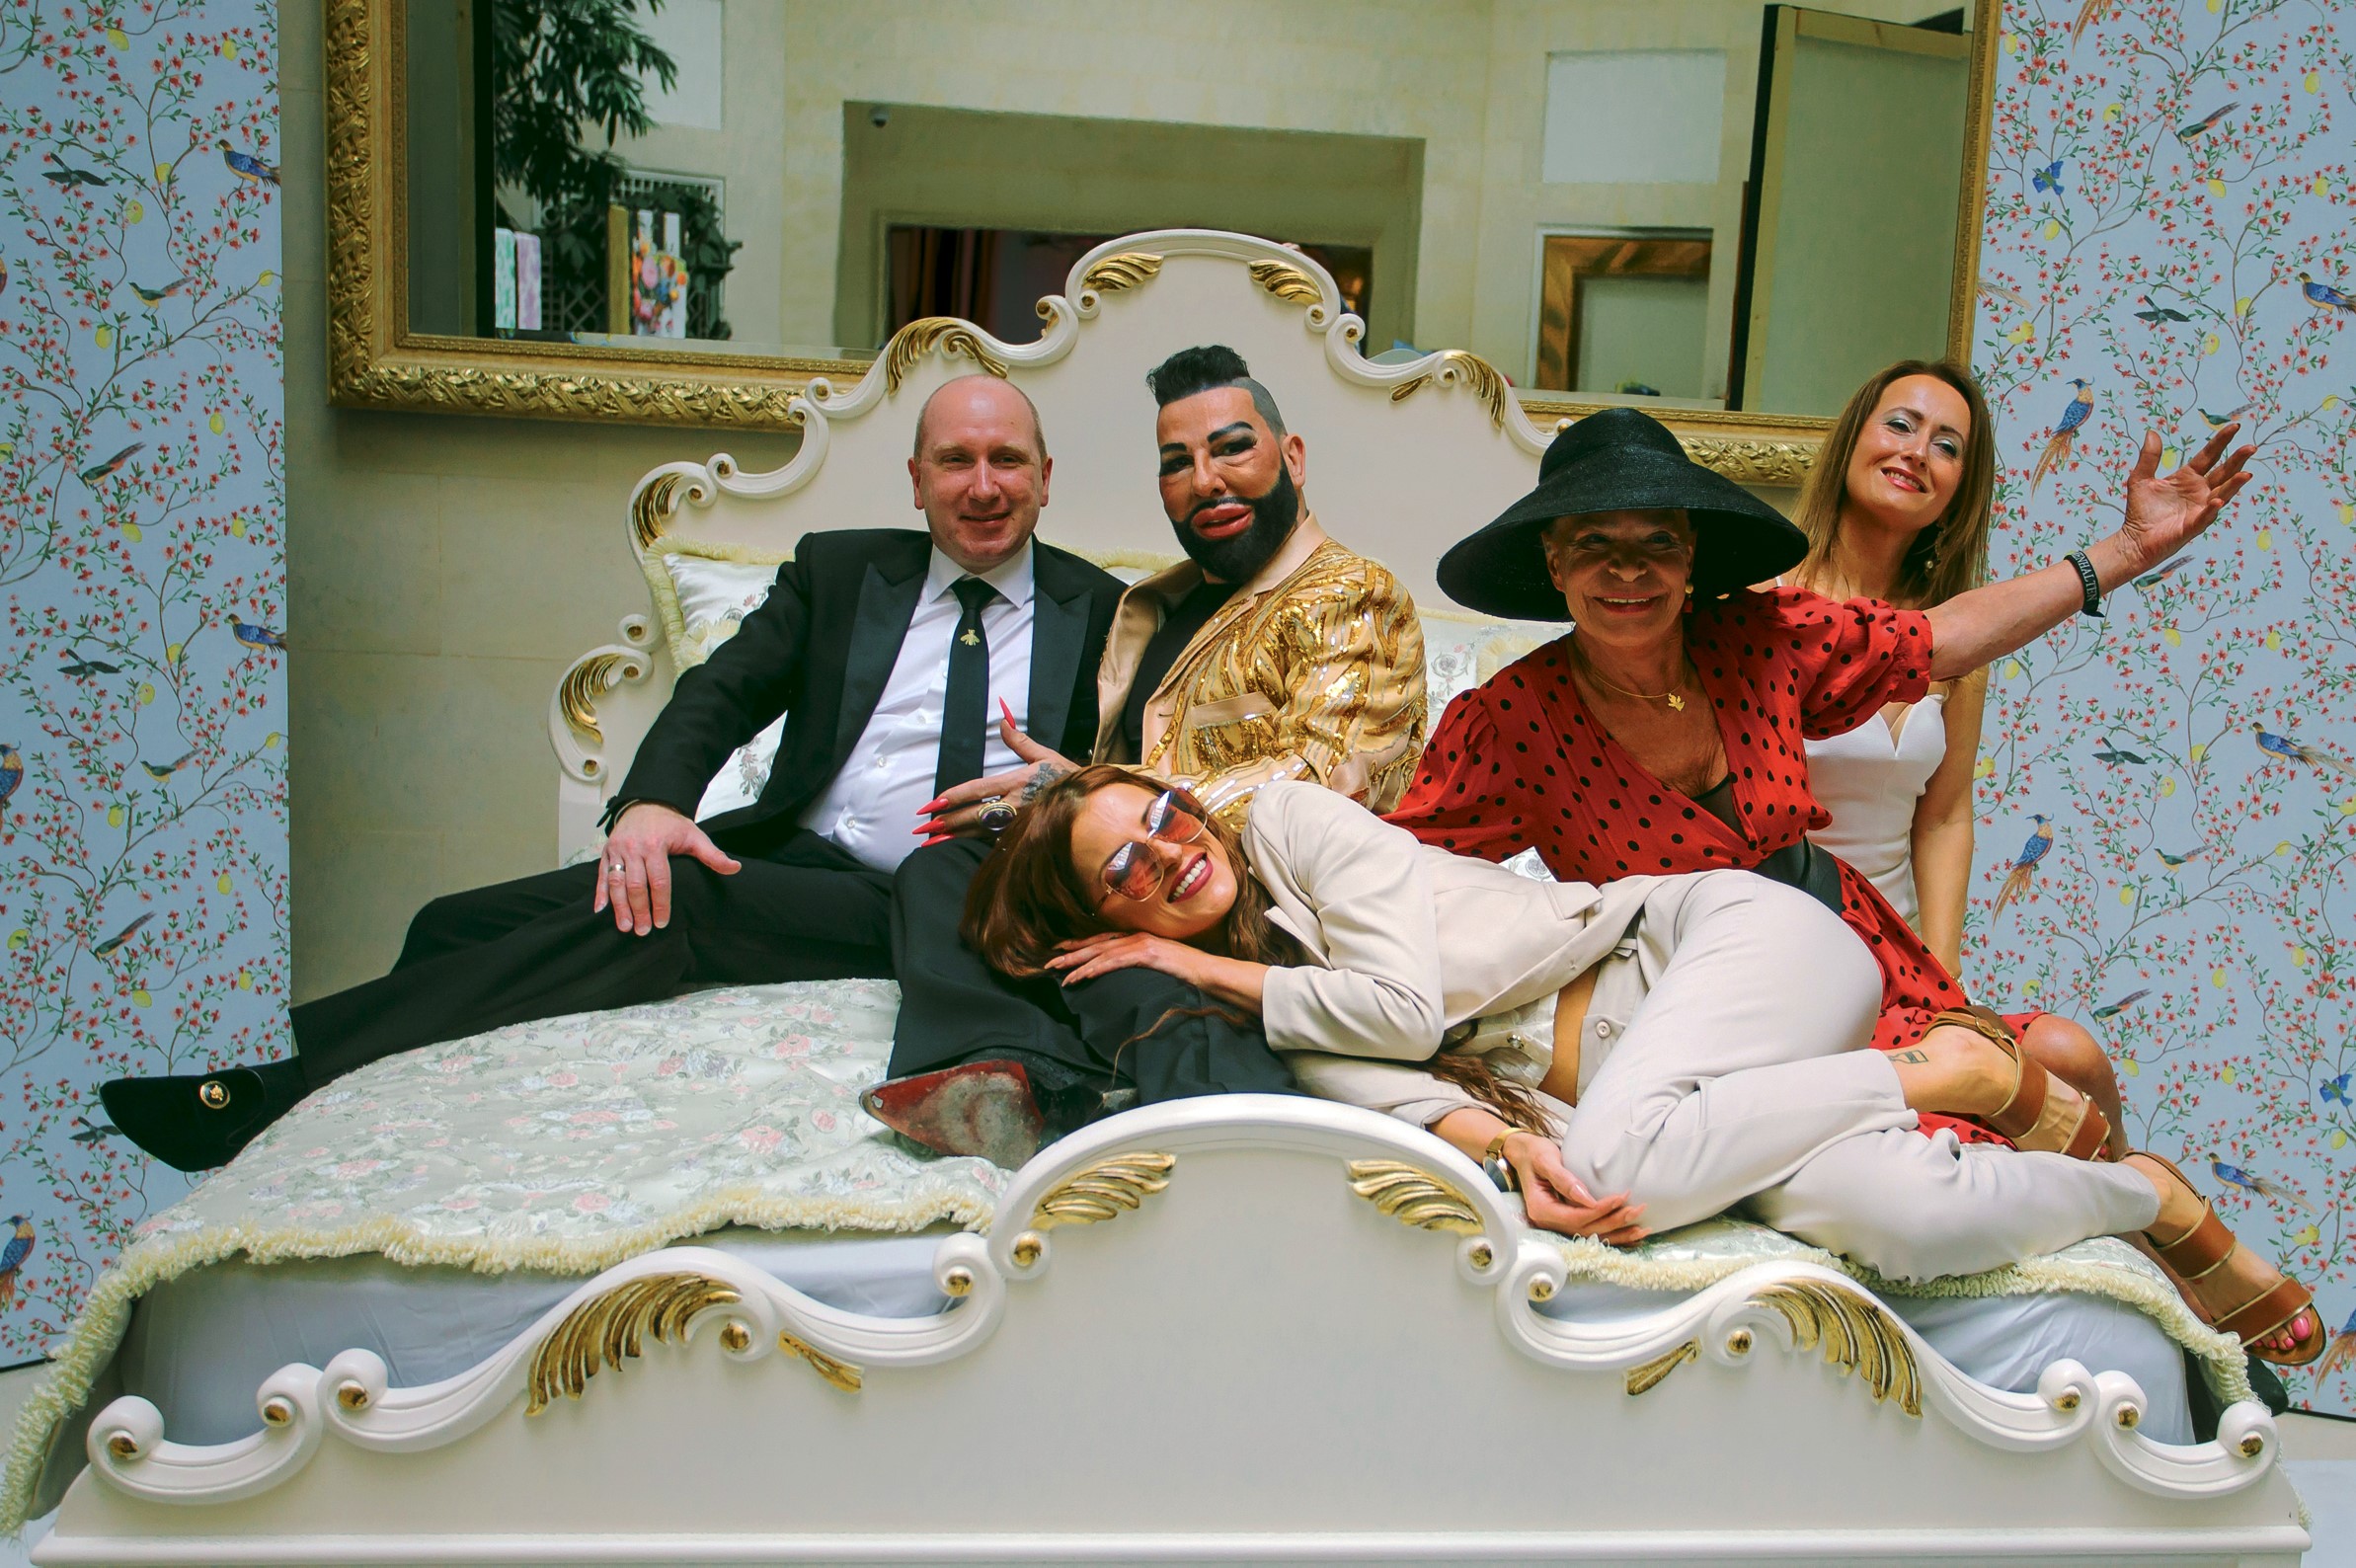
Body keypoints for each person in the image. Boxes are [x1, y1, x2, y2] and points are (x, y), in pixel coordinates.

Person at [99, 375, 1137, 1172]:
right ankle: (369, 1111)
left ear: (1046, 477)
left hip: (950, 899)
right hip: (808, 863)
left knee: (670, 905)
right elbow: (718, 694)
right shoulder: (841, 571)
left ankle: (272, 1084)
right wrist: (650, 804)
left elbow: (1151, 780)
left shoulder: (1111, 615)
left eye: (1008, 459)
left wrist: (1061, 795)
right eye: (956, 459)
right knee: (450, 925)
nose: (984, 485)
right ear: (915, 480)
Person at [966, 766, 2324, 1366]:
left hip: (1718, 950)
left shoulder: (1306, 833)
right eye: (1123, 872)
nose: (1163, 850)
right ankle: (2147, 1200)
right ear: (1112, 922)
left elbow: (1388, 1008)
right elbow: (1403, 1097)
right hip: (1697, 1093)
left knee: (1624, 1154)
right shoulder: (1261, 1024)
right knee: (1898, 1223)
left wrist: (1207, 969)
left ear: (1191, 799)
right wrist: (1508, 1158)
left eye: (1157, 816)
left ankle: (1955, 1079)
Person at [868, 345, 1428, 1162]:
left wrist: (1084, 790)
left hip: (1238, 902)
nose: (1206, 479)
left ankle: (1226, 1118)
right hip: (1129, 879)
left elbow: (1326, 782)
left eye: (1232, 447)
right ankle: (1005, 1069)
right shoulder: (1157, 606)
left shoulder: (1352, 594)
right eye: (1178, 463)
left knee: (1129, 964)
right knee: (946, 868)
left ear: (1292, 457)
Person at [1789, 360, 2125, 1155]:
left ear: (1958, 488)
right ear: (1852, 444)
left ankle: (2139, 1265)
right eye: (1900, 425)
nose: (1918, 453)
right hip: (1799, 960)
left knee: (2074, 1058)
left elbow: (1943, 817)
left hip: (1907, 966)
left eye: (1948, 446)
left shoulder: (1958, 638)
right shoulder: (1768, 608)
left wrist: (1944, 988)